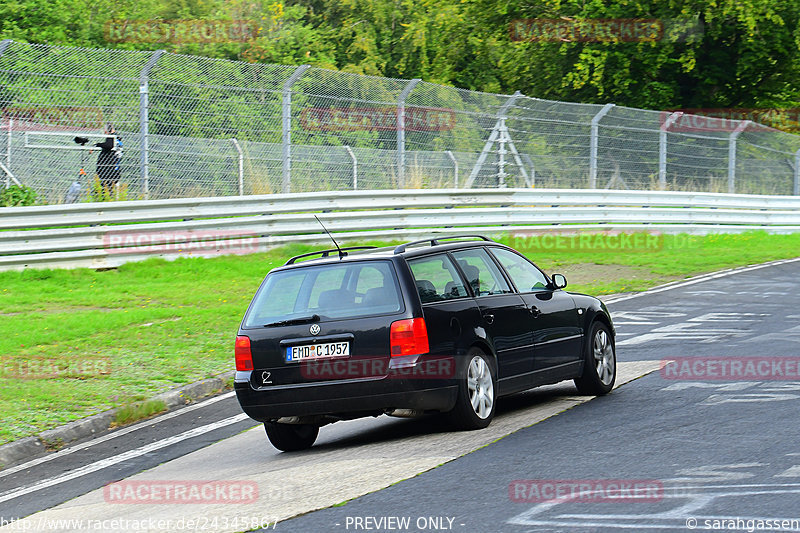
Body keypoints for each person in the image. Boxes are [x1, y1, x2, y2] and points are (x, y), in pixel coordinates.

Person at [95, 123, 122, 195]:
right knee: (108, 188)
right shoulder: (116, 138)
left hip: (109, 169)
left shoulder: (112, 137)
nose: (104, 131)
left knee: (106, 189)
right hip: (112, 168)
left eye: (105, 129)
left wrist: (98, 144)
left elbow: (109, 145)